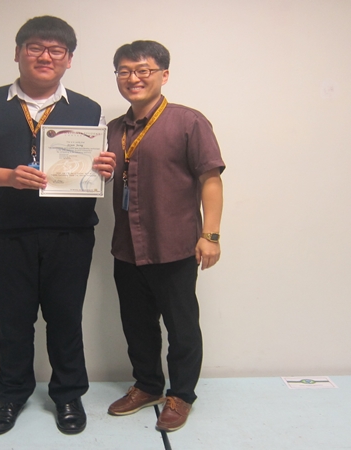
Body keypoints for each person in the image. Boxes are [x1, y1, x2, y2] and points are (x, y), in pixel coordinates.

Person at [0, 16, 116, 436]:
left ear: (69, 59)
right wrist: (6, 176)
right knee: (13, 321)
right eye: (35, 47)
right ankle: (11, 394)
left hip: (71, 233)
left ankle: (68, 394)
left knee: (66, 319)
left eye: (56, 50)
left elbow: (96, 168)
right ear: (18, 52)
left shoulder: (89, 108)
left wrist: (105, 169)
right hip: (8, 232)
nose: (45, 56)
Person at [105, 40, 225, 432]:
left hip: (174, 245)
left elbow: (210, 179)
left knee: (182, 327)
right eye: (125, 71)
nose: (133, 78)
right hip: (127, 247)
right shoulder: (112, 130)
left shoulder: (189, 122)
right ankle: (147, 386)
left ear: (164, 75)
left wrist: (211, 235)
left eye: (143, 70)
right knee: (136, 325)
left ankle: (181, 395)